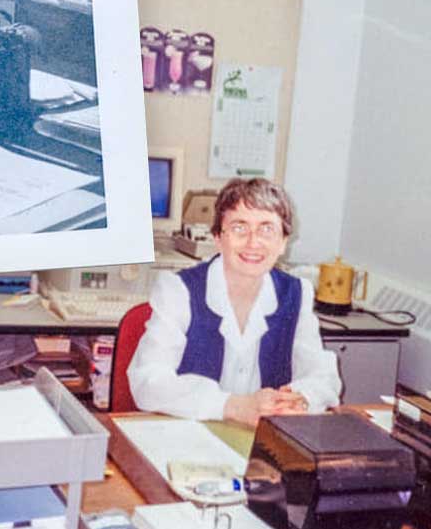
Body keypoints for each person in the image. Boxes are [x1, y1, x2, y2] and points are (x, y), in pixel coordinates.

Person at [128, 178, 341, 427]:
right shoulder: (179, 290)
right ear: (218, 237)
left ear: (283, 242)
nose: (253, 242)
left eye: (266, 229)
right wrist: (233, 406)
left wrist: (299, 399)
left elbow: (323, 376)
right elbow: (148, 380)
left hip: (262, 438)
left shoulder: (297, 293)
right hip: (190, 432)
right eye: (240, 228)